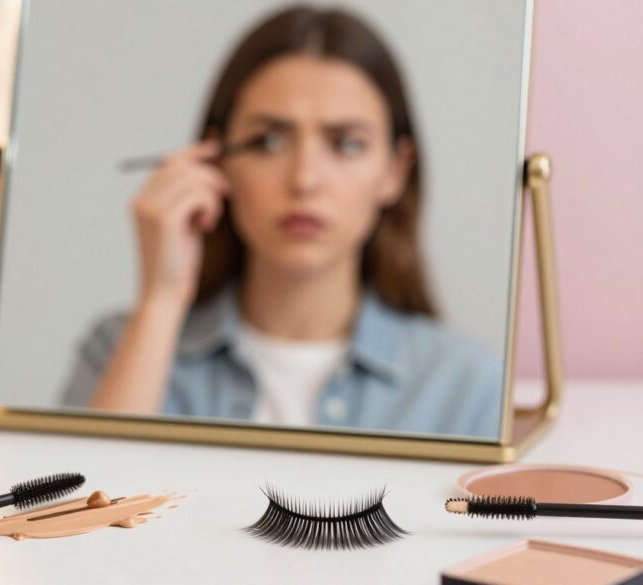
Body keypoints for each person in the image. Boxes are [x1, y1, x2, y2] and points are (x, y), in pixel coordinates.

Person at [62, 5, 503, 437]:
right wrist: (160, 300)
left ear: (395, 171)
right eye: (268, 141)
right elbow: (88, 508)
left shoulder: (466, 385)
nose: (305, 180)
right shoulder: (119, 348)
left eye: (346, 144)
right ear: (216, 159)